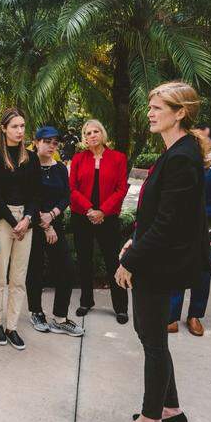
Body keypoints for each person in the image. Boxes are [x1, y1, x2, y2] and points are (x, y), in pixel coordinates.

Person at [111, 81, 211, 422]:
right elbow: (162, 215)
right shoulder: (177, 152)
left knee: (152, 341)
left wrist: (130, 260)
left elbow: (170, 224)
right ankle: (170, 410)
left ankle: (150, 418)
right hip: (156, 257)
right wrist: (135, 238)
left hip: (159, 264)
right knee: (152, 338)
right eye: (150, 107)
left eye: (158, 108)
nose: (150, 113)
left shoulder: (182, 156)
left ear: (180, 113)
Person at [167, 122, 211, 336]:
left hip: (209, 229)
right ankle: (171, 316)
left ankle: (195, 316)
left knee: (201, 274)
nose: (196, 142)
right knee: (176, 269)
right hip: (180, 227)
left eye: (202, 138)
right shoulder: (183, 161)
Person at [0, 108, 39, 350]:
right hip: (3, 220)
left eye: (23, 126)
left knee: (18, 278)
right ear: (4, 129)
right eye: (15, 126)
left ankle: (11, 326)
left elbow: (37, 193)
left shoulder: (32, 158)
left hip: (26, 220)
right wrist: (14, 223)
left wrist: (27, 219)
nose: (20, 131)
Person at [69, 119, 130, 324]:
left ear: (102, 134)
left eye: (96, 131)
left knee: (113, 261)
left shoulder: (118, 158)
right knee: (85, 260)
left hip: (108, 217)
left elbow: (121, 189)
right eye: (87, 133)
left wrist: (102, 211)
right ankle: (86, 301)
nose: (92, 135)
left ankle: (120, 307)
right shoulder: (78, 159)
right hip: (82, 216)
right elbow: (72, 188)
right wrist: (89, 209)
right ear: (84, 138)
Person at [26, 126, 84, 337]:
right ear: (36, 141)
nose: (51, 146)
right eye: (47, 141)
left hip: (54, 225)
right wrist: (46, 223)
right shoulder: (28, 166)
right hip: (33, 226)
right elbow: (30, 196)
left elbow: (66, 195)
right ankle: (36, 312)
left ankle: (60, 318)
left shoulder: (60, 168)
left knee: (67, 270)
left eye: (55, 143)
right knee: (35, 270)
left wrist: (53, 215)